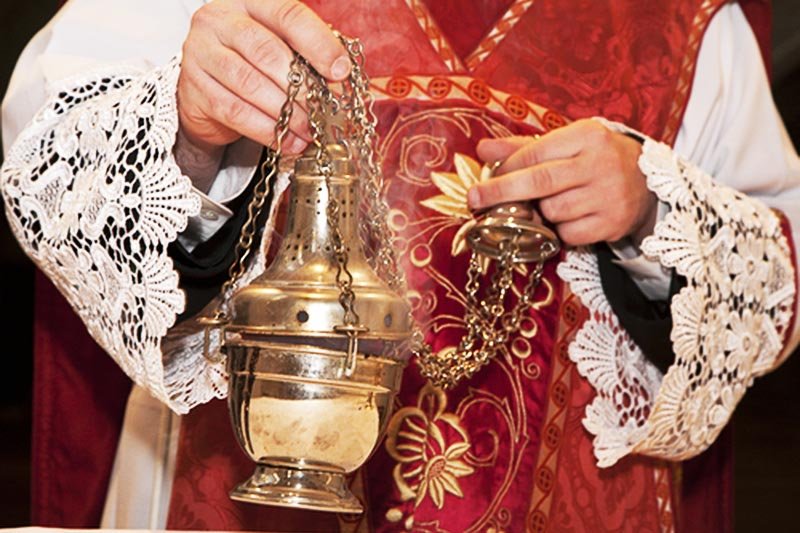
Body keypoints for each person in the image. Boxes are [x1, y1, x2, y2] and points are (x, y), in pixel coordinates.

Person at [2, 0, 798, 531]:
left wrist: (653, 206)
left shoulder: (692, 23)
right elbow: (46, 155)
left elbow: (778, 272)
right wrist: (185, 121)